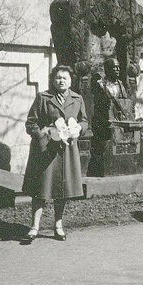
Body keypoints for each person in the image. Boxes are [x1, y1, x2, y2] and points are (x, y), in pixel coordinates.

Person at [22, 65, 89, 242]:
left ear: (71, 81)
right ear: (53, 80)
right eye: (58, 77)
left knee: (62, 189)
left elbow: (84, 121)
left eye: (65, 78)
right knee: (40, 189)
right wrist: (41, 134)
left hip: (66, 150)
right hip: (45, 149)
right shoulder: (43, 97)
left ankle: (58, 226)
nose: (61, 81)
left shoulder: (77, 99)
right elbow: (31, 123)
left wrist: (78, 128)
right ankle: (34, 227)